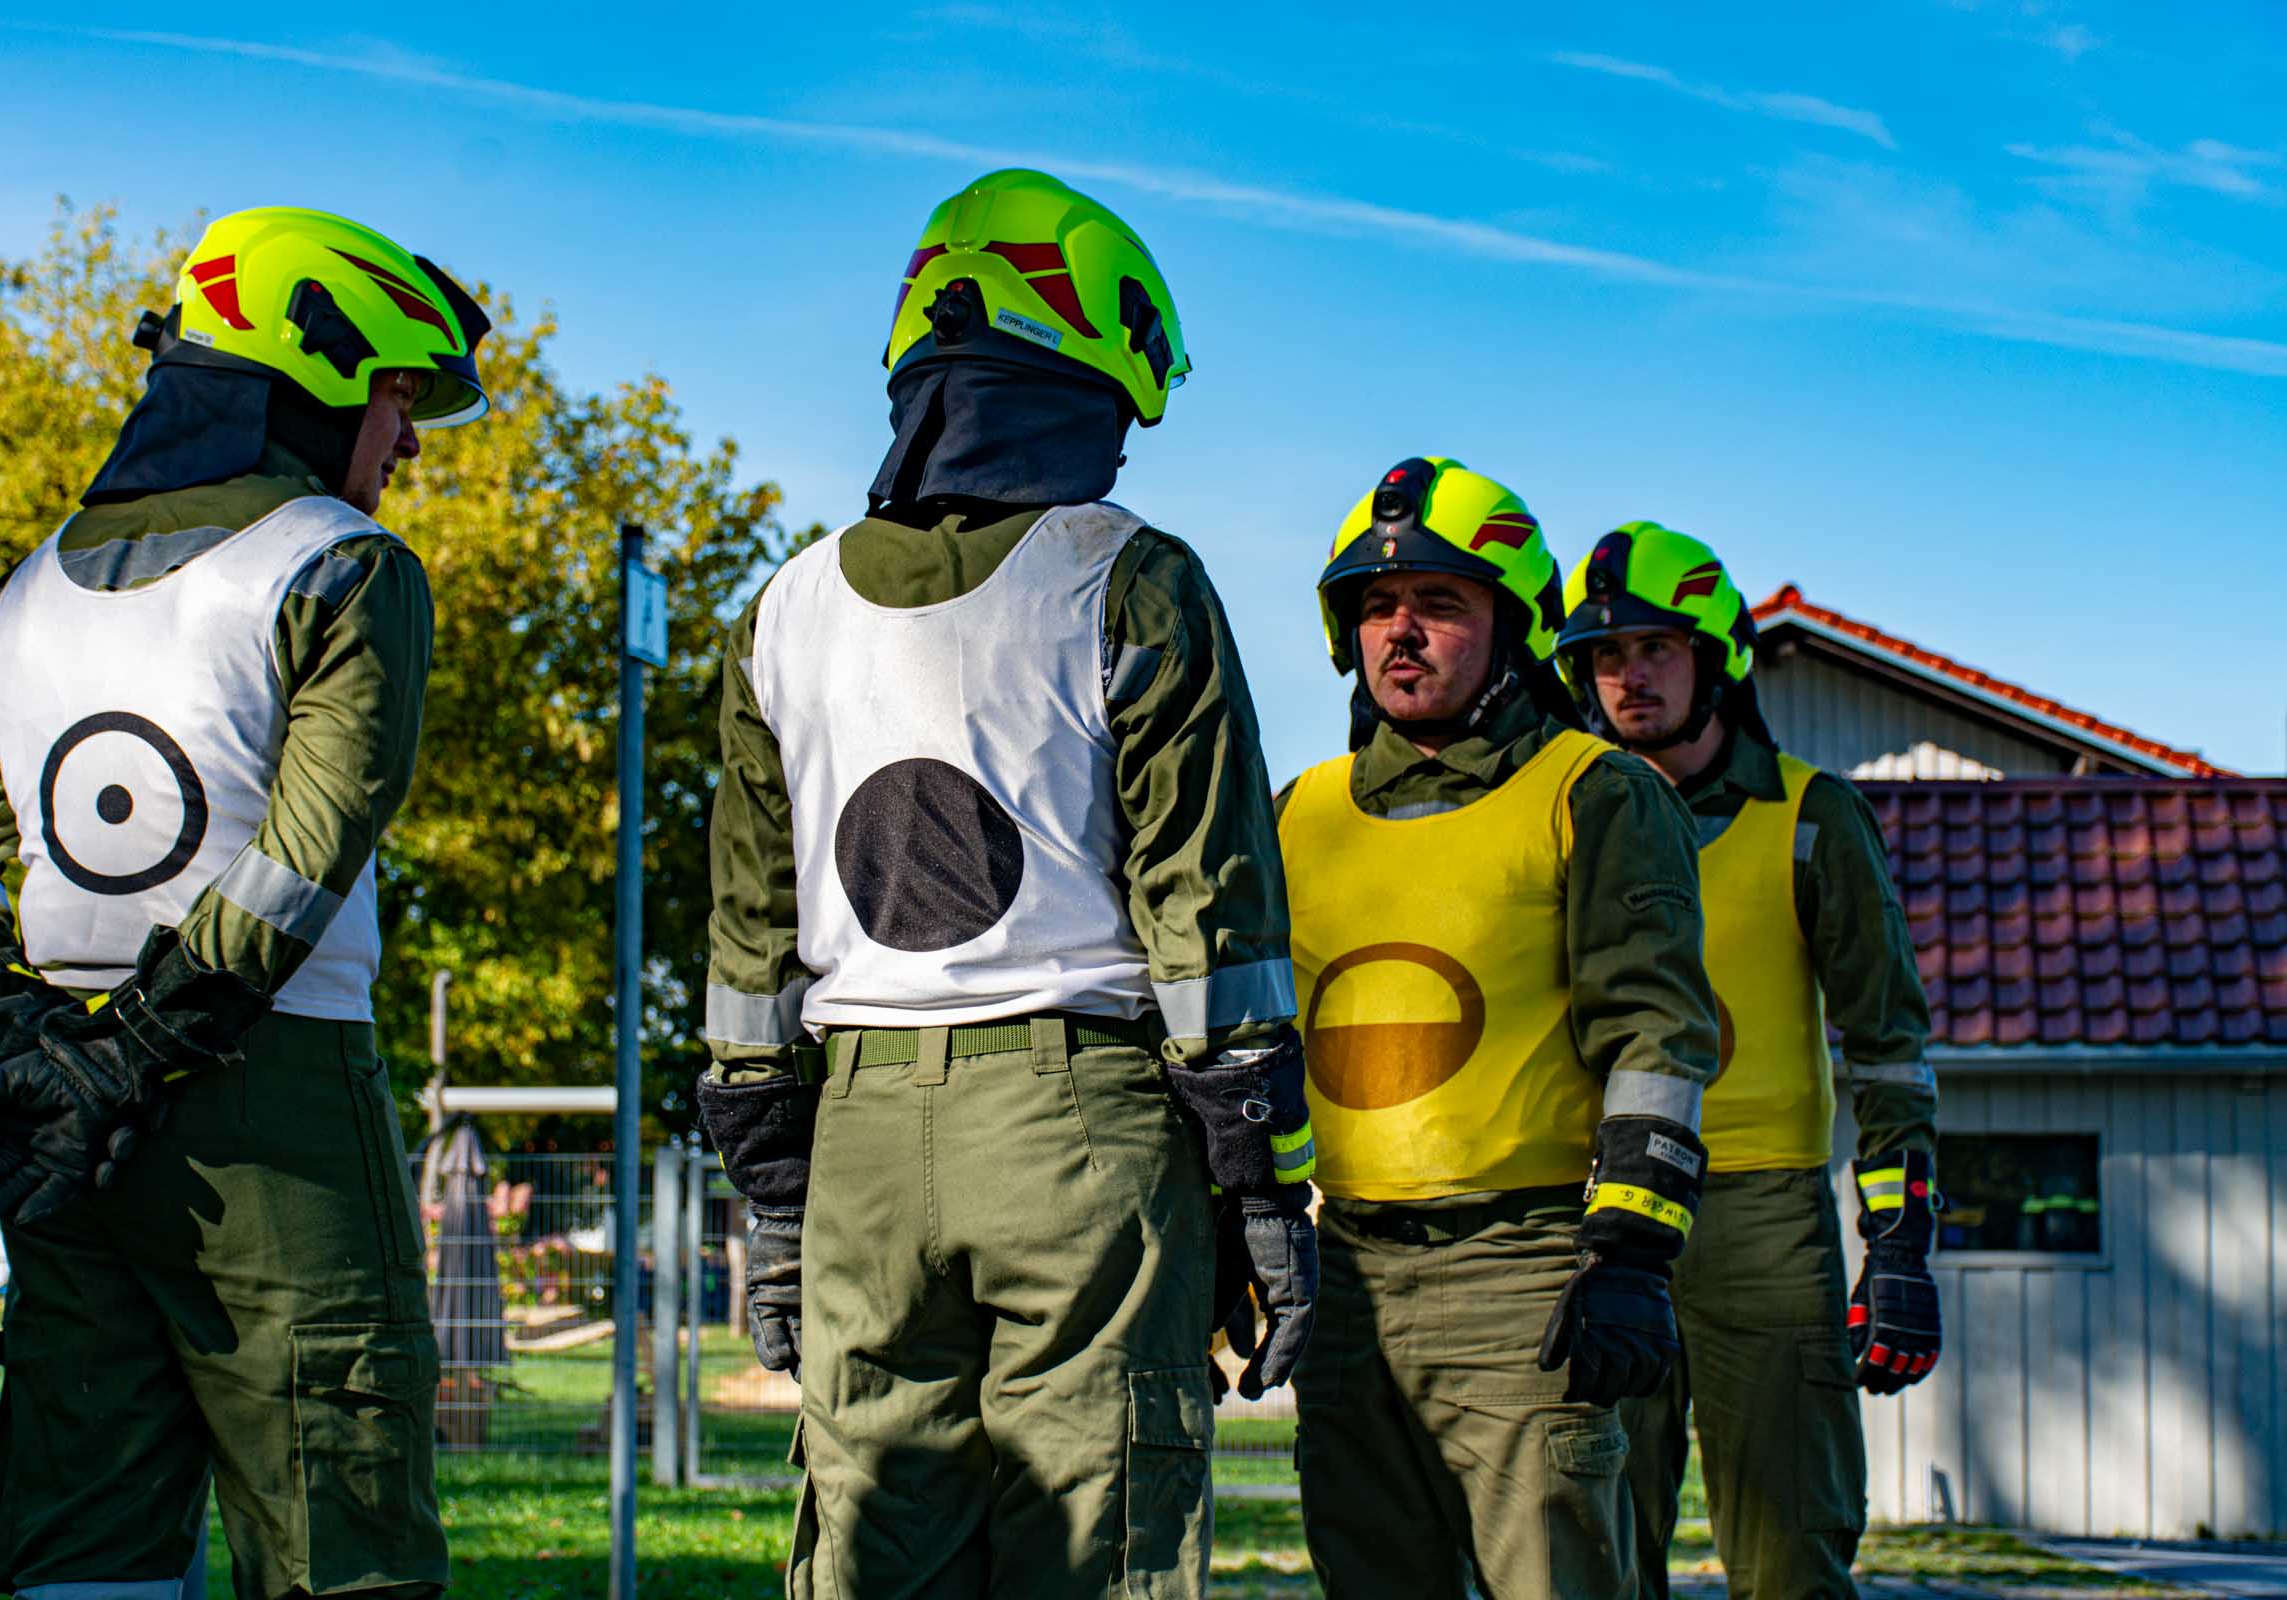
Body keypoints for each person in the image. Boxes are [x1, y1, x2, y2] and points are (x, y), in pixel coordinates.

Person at [695, 167, 1318, 1599]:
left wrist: (778, 1200)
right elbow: (1209, 918)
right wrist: (1264, 1189)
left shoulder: (782, 611)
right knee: (1095, 1546)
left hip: (858, 1138)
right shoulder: (1132, 577)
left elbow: (748, 943)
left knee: (870, 1552)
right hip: (1079, 1130)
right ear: (1087, 364)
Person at [0, 205, 491, 1599]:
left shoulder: (8, 600)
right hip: (275, 1108)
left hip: (58, 1137)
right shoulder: (347, 564)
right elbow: (302, 858)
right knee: (341, 1541)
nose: (407, 443)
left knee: (79, 1538)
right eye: (402, 397)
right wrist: (131, 1059)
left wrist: (27, 1052)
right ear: (322, 370)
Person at [1275, 458, 1721, 1599]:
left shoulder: (1598, 791)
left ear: (1514, 627)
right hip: (1346, 1278)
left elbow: (1656, 1038)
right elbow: (1256, 1042)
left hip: (1525, 1277)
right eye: (1378, 604)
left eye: (1439, 601)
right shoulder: (1298, 812)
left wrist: (1632, 1251)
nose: (1401, 630)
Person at [1556, 522, 1942, 1599]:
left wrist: (1900, 1246)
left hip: (1762, 1217)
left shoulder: (1814, 816)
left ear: (1718, 656)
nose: (1627, 675)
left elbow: (1888, 1047)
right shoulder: (1563, 814)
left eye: (1655, 647)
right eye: (1604, 653)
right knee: (1587, 1545)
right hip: (1596, 1208)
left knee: (1792, 1549)